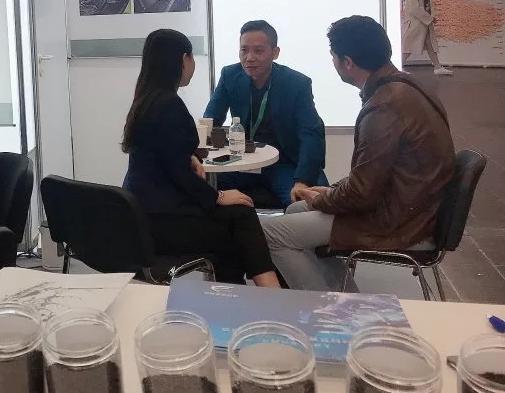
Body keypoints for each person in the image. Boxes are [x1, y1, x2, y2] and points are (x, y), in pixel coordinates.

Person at [260, 16, 456, 291]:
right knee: (295, 208)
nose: (333, 62)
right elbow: (371, 176)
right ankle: (345, 298)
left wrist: (324, 199)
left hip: (399, 222)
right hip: (413, 209)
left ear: (348, 62)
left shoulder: (384, 106)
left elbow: (362, 193)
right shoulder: (408, 87)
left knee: (269, 233)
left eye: (333, 56)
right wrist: (330, 192)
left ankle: (329, 308)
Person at [122, 29, 281, 288]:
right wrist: (217, 196)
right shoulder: (169, 105)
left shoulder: (146, 101)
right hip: (163, 221)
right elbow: (179, 174)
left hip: (143, 215)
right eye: (192, 57)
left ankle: (234, 297)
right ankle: (271, 296)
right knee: (241, 216)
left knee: (236, 223)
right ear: (183, 59)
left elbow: (167, 153)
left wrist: (190, 156)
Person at [204, 20, 327, 208]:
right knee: (197, 190)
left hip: (283, 163)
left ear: (275, 53)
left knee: (308, 205)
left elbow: (311, 134)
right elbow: (210, 121)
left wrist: (302, 180)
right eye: (244, 50)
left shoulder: (296, 83)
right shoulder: (230, 75)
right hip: (241, 161)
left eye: (258, 51)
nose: (249, 58)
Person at [403, 0, 453, 76]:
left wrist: (430, 17)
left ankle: (437, 67)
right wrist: (429, 19)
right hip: (416, 24)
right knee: (408, 46)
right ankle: (397, 66)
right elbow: (415, 9)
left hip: (422, 24)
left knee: (429, 44)